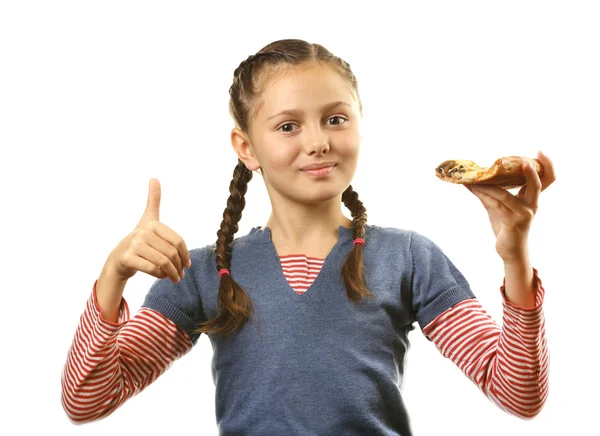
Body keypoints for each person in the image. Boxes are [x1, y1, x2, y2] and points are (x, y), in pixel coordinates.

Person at [61, 39, 555, 435]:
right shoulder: (202, 273)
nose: (317, 141)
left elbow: (518, 395)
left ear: (361, 123)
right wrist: (113, 276)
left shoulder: (408, 258)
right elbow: (87, 402)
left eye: (335, 119)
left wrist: (515, 260)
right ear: (246, 147)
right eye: (288, 126)